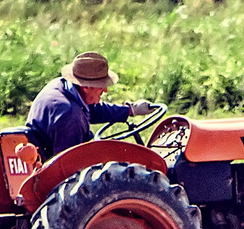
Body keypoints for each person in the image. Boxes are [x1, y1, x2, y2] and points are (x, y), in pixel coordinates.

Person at [23, 51, 152, 162]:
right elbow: (67, 168)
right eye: (101, 85)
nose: (105, 90)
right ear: (85, 86)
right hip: (51, 166)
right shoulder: (70, 116)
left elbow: (92, 109)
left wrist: (130, 110)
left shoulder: (62, 87)